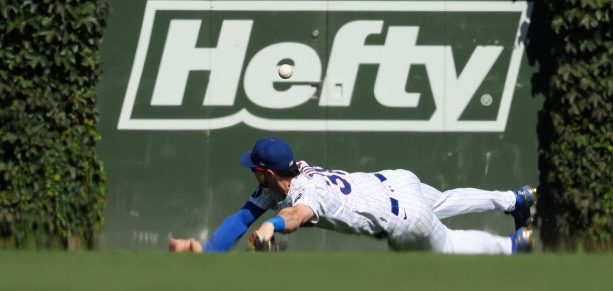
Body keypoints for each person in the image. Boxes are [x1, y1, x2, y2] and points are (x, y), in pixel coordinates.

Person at [169, 137, 537, 254]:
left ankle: (514, 245)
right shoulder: (284, 176)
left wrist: (274, 228)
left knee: (450, 245)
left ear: (266, 172)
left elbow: (298, 214)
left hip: (402, 217)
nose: (251, 170)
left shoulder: (306, 190)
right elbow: (243, 216)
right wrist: (211, 251)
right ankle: (514, 199)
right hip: (394, 181)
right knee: (442, 199)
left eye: (254, 167)